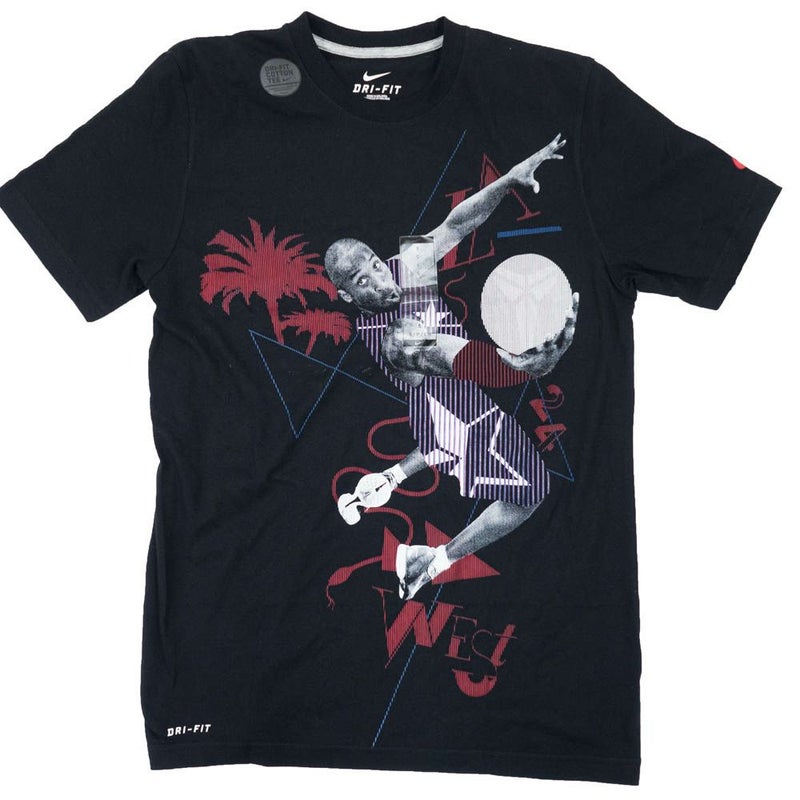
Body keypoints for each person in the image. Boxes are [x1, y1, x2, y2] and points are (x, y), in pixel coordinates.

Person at [325, 133, 579, 600]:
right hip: (454, 412)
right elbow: (446, 354)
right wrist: (524, 367)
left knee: (446, 447)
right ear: (346, 295)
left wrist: (508, 179)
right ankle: (430, 560)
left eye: (376, 266)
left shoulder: (404, 267)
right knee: (531, 492)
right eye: (362, 281)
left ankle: (390, 480)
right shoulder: (392, 336)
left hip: (445, 402)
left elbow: (458, 223)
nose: (379, 280)